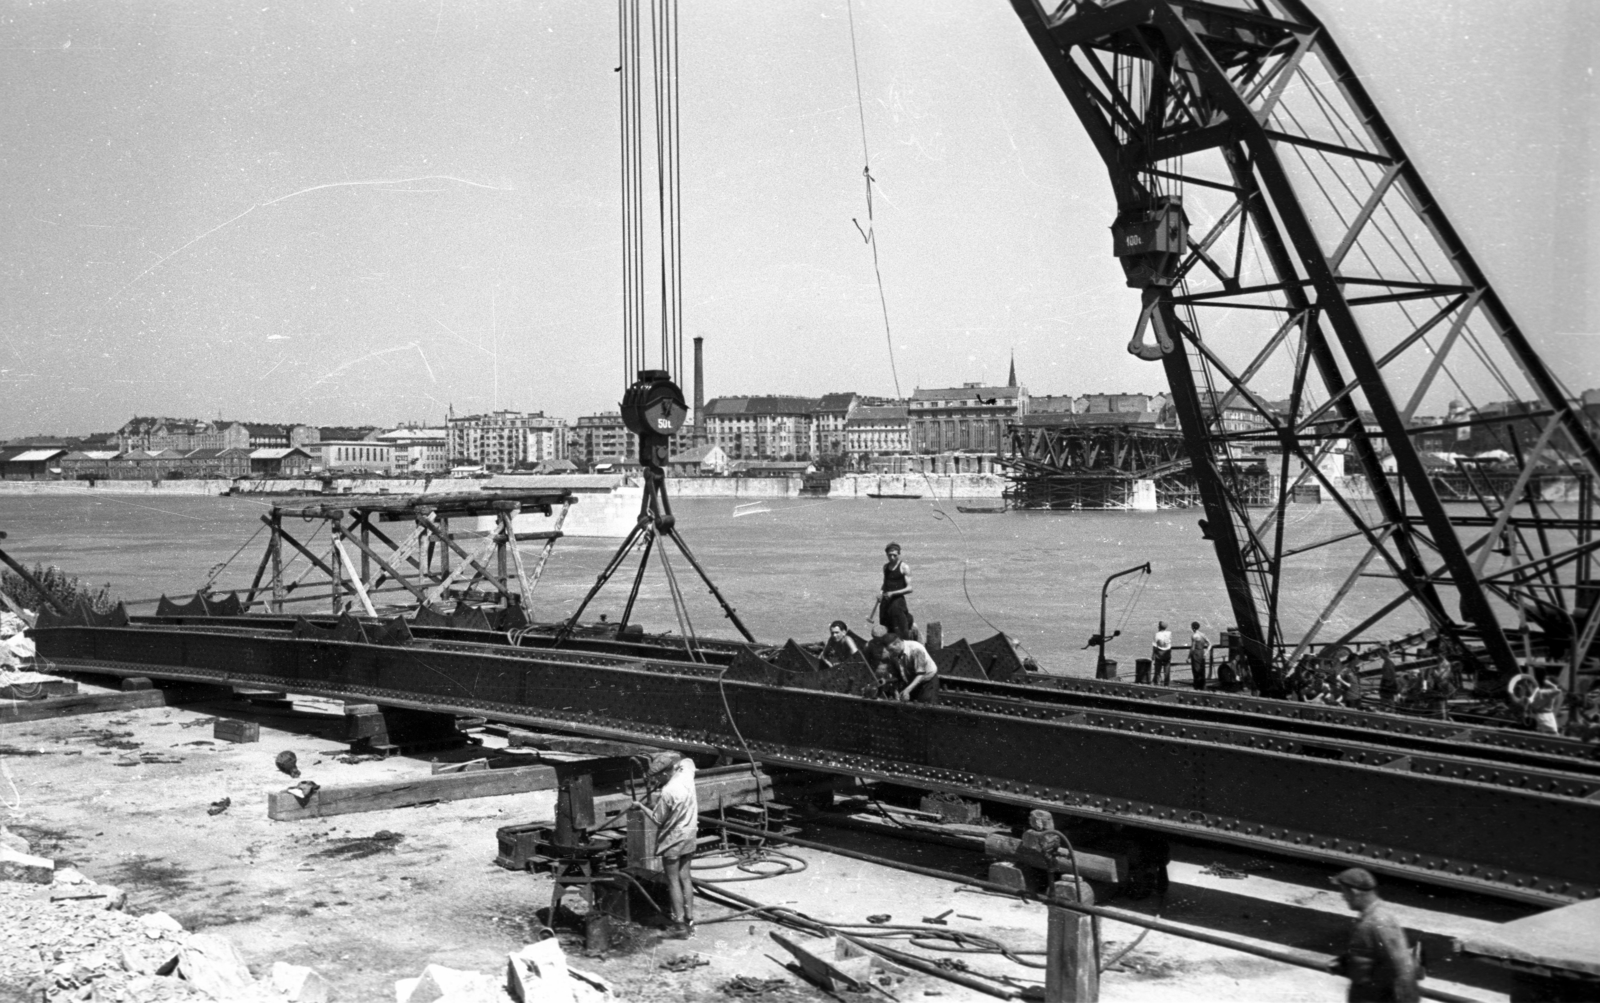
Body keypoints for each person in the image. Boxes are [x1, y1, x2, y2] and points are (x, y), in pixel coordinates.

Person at [1327, 867, 1420, 1002]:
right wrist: (1343, 962)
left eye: (1343, 891)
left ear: (1354, 892)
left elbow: (1403, 967)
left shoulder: (1379, 921)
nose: (1342, 897)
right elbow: (1369, 953)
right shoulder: (1370, 917)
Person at [632, 752, 699, 938]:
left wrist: (640, 806)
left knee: (673, 881)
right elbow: (687, 759)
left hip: (673, 840)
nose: (656, 780)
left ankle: (679, 925)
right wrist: (658, 757)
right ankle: (690, 920)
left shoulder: (668, 791)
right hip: (690, 835)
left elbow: (656, 819)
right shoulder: (686, 773)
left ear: (663, 774)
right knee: (685, 877)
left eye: (657, 777)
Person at [886, 632, 939, 703]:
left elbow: (920, 675)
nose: (891, 653)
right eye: (889, 651)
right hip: (911, 681)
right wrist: (896, 691)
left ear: (897, 643)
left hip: (927, 682)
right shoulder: (893, 655)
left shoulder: (916, 649)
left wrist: (907, 690)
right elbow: (896, 675)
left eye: (892, 650)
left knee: (925, 707)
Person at [878, 543, 915, 638]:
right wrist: (880, 593)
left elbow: (910, 588)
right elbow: (885, 584)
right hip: (886, 600)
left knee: (900, 628)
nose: (892, 557)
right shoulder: (885, 567)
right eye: (890, 555)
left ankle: (903, 642)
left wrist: (893, 593)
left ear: (899, 554)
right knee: (884, 625)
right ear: (886, 554)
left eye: (895, 555)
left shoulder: (904, 567)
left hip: (898, 601)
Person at [1187, 621, 1210, 690]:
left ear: (1193, 628)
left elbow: (1192, 648)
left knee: (1196, 670)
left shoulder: (1194, 636)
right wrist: (1206, 653)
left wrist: (1188, 657)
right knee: (1202, 669)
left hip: (1196, 653)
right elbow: (1210, 644)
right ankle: (1203, 686)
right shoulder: (1203, 634)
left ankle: (1197, 686)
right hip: (1202, 652)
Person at [1151, 622, 1173, 686]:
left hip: (1159, 653)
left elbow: (1155, 646)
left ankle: (1157, 683)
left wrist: (1153, 655)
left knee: (1158, 669)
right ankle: (1166, 683)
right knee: (1167, 669)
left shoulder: (1157, 634)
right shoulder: (1169, 633)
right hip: (1167, 653)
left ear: (1159, 627)